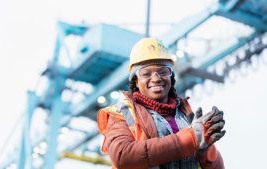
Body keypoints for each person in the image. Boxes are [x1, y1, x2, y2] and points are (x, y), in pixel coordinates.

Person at [97, 37, 226, 169]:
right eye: (146, 73)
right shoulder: (123, 113)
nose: (156, 79)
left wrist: (205, 152)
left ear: (171, 76)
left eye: (163, 72)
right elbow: (123, 156)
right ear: (136, 81)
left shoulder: (185, 114)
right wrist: (190, 138)